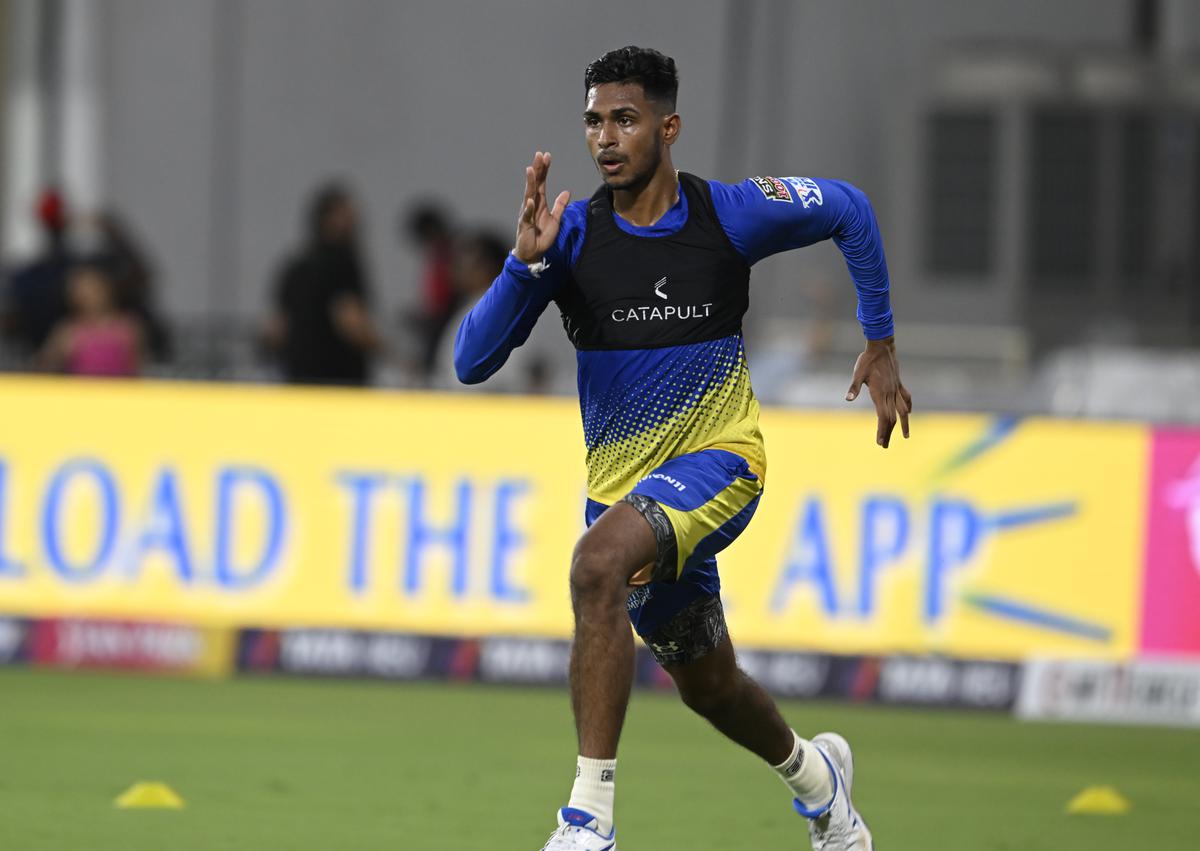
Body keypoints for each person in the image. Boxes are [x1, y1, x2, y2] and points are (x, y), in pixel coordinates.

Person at [455, 46, 911, 851]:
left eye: (624, 119)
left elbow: (850, 210)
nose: (605, 137)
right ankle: (822, 788)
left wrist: (879, 341)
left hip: (722, 465)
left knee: (594, 563)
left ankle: (588, 819)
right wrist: (523, 267)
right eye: (594, 120)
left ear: (669, 127)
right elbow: (470, 361)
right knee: (711, 684)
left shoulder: (729, 215)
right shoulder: (571, 240)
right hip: (626, 496)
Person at [265, 182, 381, 385]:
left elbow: (276, 331)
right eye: (348, 215)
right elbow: (351, 323)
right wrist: (391, 354)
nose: (355, 221)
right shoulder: (343, 264)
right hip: (339, 382)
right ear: (330, 219)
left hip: (298, 381)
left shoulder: (295, 267)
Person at [38, 263, 144, 377]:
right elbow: (44, 368)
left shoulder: (128, 327)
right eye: (81, 291)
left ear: (107, 289)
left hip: (122, 393)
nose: (88, 297)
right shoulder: (67, 330)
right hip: (80, 393)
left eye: (93, 289)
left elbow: (141, 369)